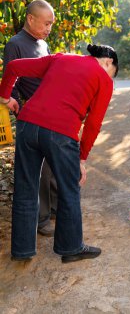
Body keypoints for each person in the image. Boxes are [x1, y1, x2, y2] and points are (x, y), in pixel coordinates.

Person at [0, 44, 119, 263]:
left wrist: (5, 97)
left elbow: (14, 66)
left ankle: (22, 250)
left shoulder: (61, 58)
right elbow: (93, 123)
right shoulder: (104, 79)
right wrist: (81, 159)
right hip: (61, 133)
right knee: (69, 189)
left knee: (26, 188)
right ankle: (71, 248)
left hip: (27, 126)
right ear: (108, 62)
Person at [3, 0, 57, 237]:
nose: (48, 29)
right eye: (46, 23)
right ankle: (42, 219)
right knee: (40, 170)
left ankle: (56, 210)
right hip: (33, 113)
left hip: (52, 110)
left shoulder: (43, 44)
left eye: (51, 24)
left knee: (56, 164)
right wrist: (11, 100)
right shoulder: (15, 44)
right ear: (30, 18)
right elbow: (11, 76)